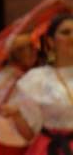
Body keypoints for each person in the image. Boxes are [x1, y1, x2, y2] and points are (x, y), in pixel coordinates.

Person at [4, 13, 73, 154]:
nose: (72, 37)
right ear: (51, 42)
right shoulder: (37, 80)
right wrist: (17, 115)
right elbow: (29, 134)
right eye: (66, 32)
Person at [0, 34, 37, 155]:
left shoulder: (36, 76)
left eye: (30, 46)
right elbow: (0, 111)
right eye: (21, 49)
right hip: (10, 146)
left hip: (37, 145)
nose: (29, 52)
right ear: (10, 54)